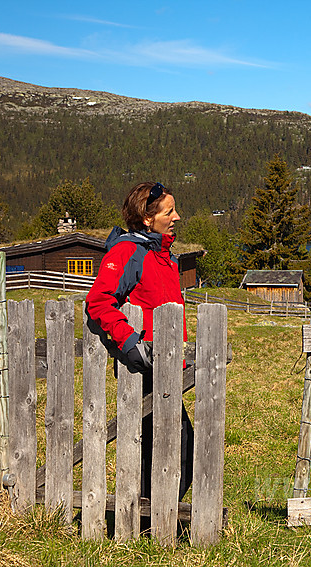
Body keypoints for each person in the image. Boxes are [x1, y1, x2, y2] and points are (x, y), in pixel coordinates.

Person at [86, 181, 193, 504]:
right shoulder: (128, 251)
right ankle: (150, 520)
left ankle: (156, 516)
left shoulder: (162, 256)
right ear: (148, 218)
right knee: (159, 447)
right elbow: (99, 301)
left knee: (175, 446)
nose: (176, 216)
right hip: (143, 368)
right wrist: (131, 343)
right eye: (169, 211)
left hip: (167, 366)